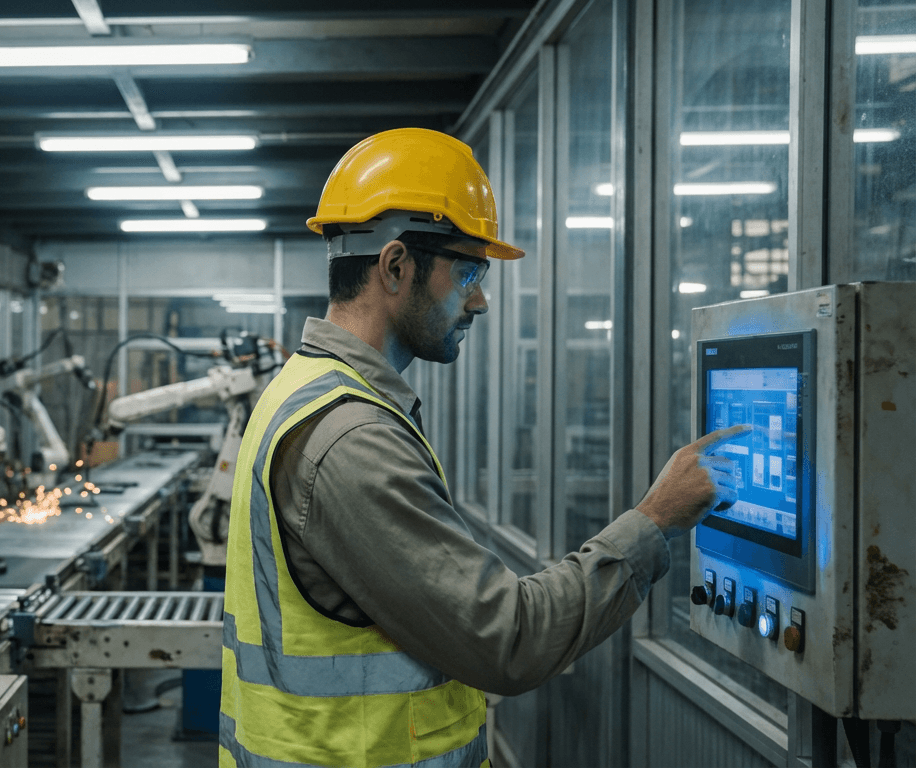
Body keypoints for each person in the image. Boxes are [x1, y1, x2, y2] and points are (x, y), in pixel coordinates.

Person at [218, 128, 747, 768]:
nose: (481, 300)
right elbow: (509, 639)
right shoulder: (350, 438)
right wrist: (655, 521)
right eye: (468, 271)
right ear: (394, 266)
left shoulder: (301, 391)